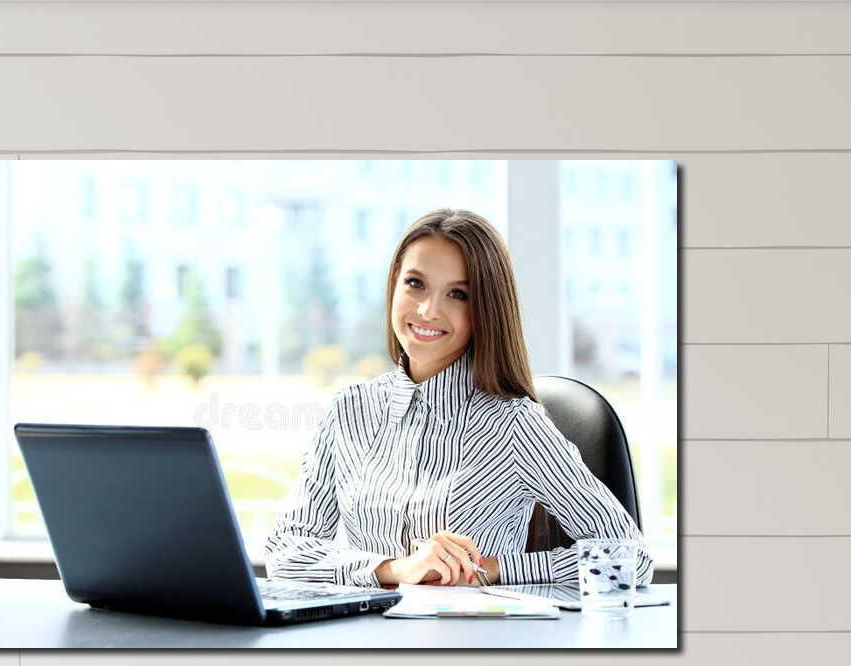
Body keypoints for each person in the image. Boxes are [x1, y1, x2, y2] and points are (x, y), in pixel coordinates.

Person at [264, 208, 653, 591]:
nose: (428, 310)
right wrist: (394, 569)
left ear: (484, 309)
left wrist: (491, 568)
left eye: (458, 294)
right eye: (415, 284)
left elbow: (629, 556)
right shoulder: (349, 410)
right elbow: (284, 552)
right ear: (393, 286)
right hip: (363, 641)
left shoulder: (513, 424)